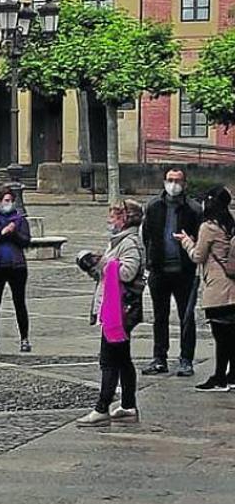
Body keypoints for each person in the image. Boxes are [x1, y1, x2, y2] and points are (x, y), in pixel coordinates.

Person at [78, 199, 146, 427]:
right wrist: (93, 265)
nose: (110, 221)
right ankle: (128, 404)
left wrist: (105, 261)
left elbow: (126, 272)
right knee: (123, 359)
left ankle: (101, 408)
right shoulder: (120, 240)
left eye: (114, 217)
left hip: (120, 309)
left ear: (124, 219)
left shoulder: (130, 242)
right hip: (116, 305)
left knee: (108, 360)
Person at [141, 168, 201, 378]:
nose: (173, 184)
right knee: (160, 316)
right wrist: (150, 261)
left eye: (177, 180)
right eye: (170, 180)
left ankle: (186, 359)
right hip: (159, 269)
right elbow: (146, 236)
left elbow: (199, 240)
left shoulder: (193, 209)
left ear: (184, 184)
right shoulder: (153, 206)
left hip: (184, 271)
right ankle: (159, 358)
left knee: (187, 316)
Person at [178, 186, 235, 392]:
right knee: (231, 336)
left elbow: (197, 256)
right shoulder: (229, 224)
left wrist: (186, 241)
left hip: (218, 288)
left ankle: (219, 377)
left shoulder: (209, 227)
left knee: (221, 336)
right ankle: (231, 375)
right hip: (233, 286)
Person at [0, 186, 33, 356]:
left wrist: (14, 233)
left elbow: (26, 241)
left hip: (16, 267)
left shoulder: (20, 220)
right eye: (6, 201)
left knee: (19, 303)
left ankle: (24, 338)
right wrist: (1, 234)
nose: (9, 204)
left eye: (11, 201)